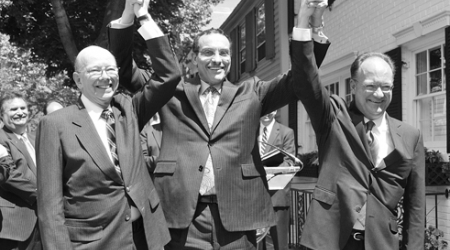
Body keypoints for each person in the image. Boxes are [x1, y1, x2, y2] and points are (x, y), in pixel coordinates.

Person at [109, 0, 330, 249]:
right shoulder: (171, 90)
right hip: (182, 217)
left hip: (237, 219)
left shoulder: (253, 92)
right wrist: (131, 14)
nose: (218, 59)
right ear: (194, 58)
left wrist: (309, 24)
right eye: (208, 52)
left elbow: (301, 80)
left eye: (224, 53)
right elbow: (124, 71)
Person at [35, 2, 181, 249]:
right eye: (95, 71)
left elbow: (169, 75)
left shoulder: (129, 109)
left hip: (145, 236)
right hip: (94, 242)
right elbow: (50, 205)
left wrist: (139, 17)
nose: (106, 77)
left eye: (110, 69)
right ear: (78, 80)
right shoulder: (55, 124)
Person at [294, 2, 425, 250]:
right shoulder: (333, 116)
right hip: (328, 240)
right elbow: (304, 80)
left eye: (386, 87)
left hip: (380, 243)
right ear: (354, 86)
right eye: (370, 86)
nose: (379, 94)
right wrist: (307, 24)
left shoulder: (411, 135)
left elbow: (415, 205)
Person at [0, 91, 41, 250]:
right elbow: (8, 176)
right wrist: (42, 195)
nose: (20, 112)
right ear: (2, 115)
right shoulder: (1, 138)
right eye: (13, 109)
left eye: (23, 108)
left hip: (41, 223)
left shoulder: (36, 137)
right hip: (15, 226)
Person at [257, 110, 296, 250]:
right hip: (253, 198)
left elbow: (290, 162)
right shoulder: (250, 131)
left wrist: (267, 172)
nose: (267, 113)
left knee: (280, 244)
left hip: (277, 197)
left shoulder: (286, 132)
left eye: (272, 110)